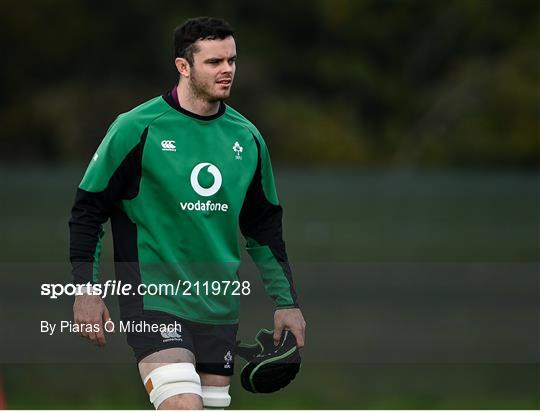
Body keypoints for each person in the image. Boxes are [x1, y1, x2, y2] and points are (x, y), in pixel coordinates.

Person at [69, 16, 306, 410]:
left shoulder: (246, 138)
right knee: (182, 403)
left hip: (218, 305)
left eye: (231, 60)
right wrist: (86, 290)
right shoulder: (136, 128)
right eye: (214, 61)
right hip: (154, 300)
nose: (227, 69)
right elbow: (88, 210)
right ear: (184, 66)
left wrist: (287, 302)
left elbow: (264, 228)